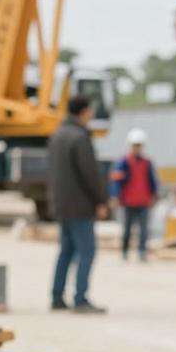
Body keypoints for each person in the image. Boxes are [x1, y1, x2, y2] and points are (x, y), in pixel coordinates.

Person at [47, 95, 109, 313]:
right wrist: (101, 200)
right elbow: (90, 174)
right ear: (84, 112)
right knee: (87, 251)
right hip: (80, 206)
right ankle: (80, 298)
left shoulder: (57, 135)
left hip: (62, 205)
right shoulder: (80, 138)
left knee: (66, 251)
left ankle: (56, 297)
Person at [110, 128, 159, 262]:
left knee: (144, 230)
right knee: (127, 229)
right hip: (128, 201)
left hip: (143, 201)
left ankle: (142, 251)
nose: (137, 148)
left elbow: (152, 181)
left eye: (139, 145)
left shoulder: (147, 163)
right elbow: (116, 181)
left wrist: (154, 195)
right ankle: (125, 251)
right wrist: (115, 196)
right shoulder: (123, 162)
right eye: (135, 145)